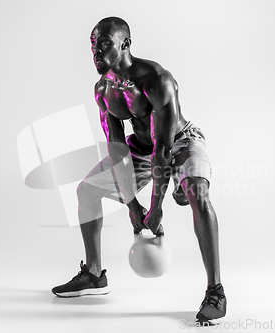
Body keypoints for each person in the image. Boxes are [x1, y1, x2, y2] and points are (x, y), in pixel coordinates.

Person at [52, 16, 226, 324]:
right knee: (87, 191)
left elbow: (164, 149)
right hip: (143, 148)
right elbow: (117, 150)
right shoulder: (104, 90)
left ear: (125, 44)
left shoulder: (157, 80)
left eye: (104, 42)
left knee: (196, 191)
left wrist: (155, 207)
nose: (95, 50)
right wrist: (133, 206)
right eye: (92, 44)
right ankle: (94, 274)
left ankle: (215, 290)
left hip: (180, 140)